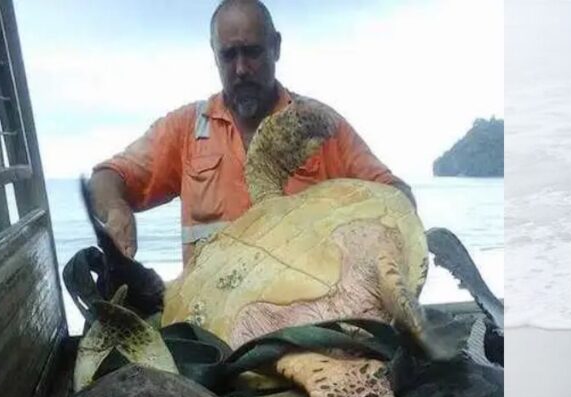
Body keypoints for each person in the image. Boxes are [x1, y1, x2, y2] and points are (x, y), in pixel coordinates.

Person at [89, 0, 414, 266]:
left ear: (276, 47)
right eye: (229, 55)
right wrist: (116, 209)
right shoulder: (186, 129)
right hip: (211, 321)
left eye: (252, 52)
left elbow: (394, 193)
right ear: (214, 55)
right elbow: (107, 177)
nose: (241, 69)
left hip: (306, 314)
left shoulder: (320, 125)